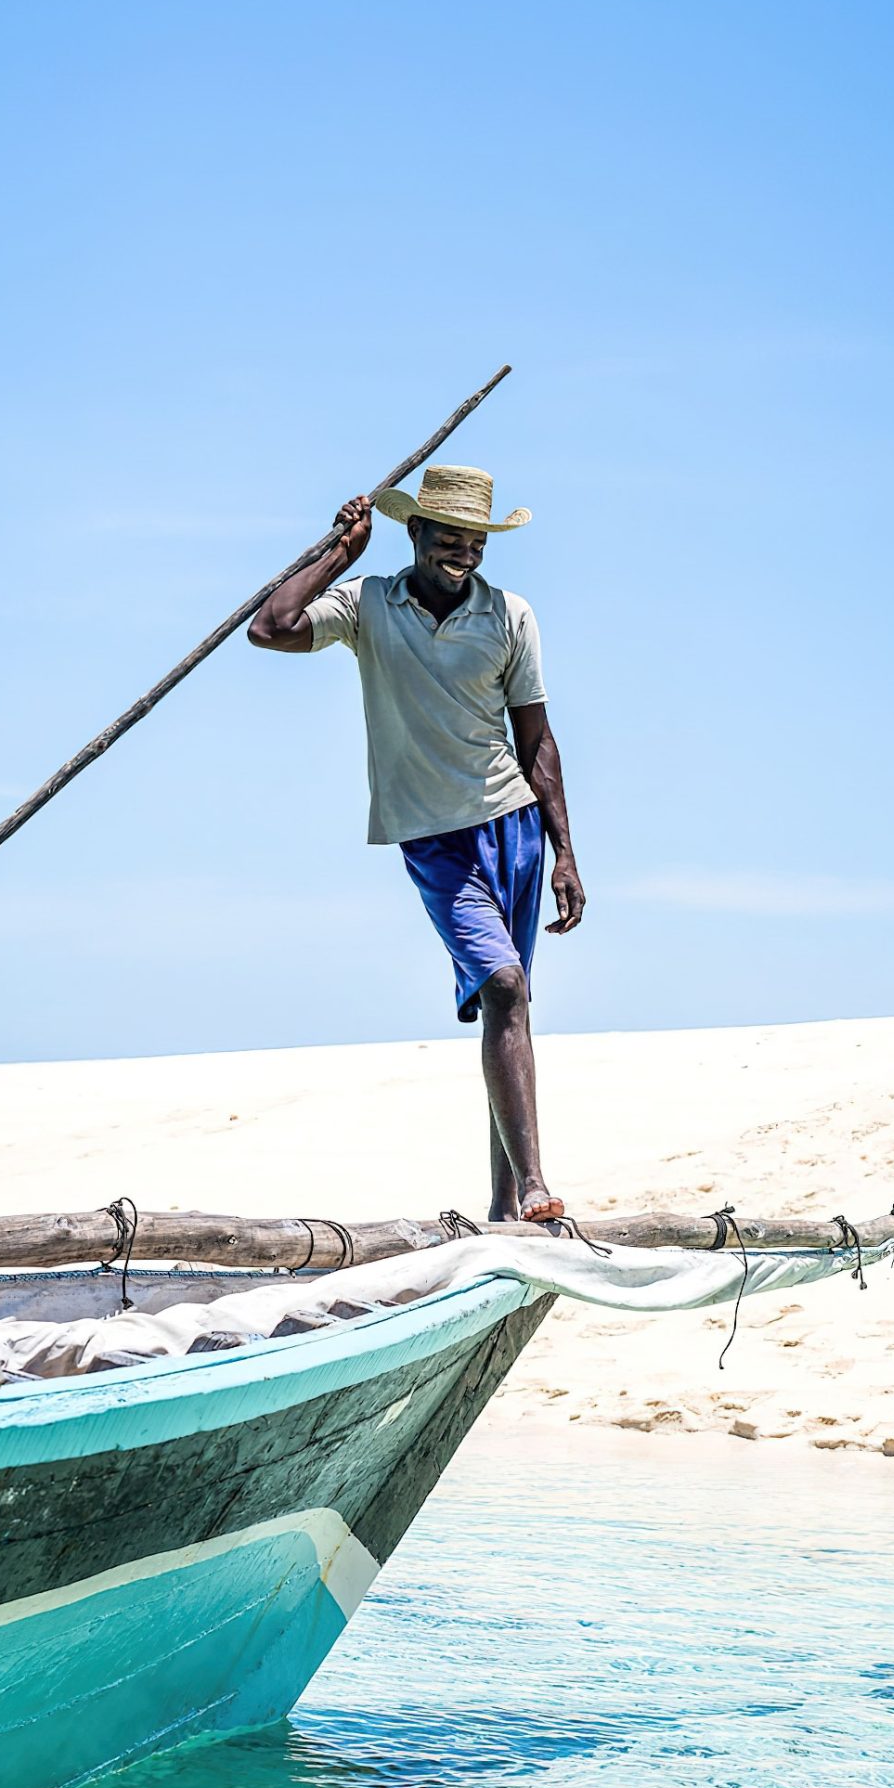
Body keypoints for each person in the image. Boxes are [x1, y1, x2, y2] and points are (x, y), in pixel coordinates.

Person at [249, 462, 584, 1224]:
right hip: (434, 840)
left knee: (514, 1002)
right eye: (447, 537)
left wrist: (565, 853)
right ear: (416, 532)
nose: (461, 553)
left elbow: (537, 742)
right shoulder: (368, 604)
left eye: (474, 541)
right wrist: (339, 554)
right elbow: (270, 629)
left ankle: (510, 1203)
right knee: (501, 986)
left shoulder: (509, 616)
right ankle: (534, 1183)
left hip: (514, 824)